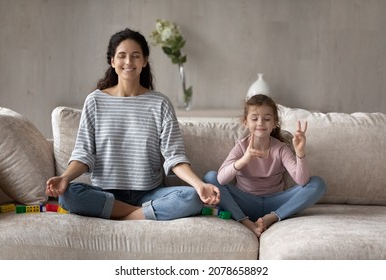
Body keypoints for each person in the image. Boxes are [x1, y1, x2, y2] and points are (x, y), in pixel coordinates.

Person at [46, 28, 219, 221]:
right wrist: (64, 179)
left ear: (144, 61)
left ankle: (117, 213)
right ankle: (144, 213)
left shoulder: (160, 103)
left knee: (192, 197)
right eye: (122, 56)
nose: (128, 62)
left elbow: (174, 157)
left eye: (135, 56)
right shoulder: (94, 101)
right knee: (69, 194)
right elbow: (83, 154)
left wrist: (199, 185)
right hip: (107, 193)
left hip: (148, 194)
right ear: (112, 61)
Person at [203, 94, 326, 237]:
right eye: (254, 118)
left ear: (275, 123)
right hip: (245, 202)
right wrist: (245, 159)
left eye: (267, 119)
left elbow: (302, 181)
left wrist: (300, 153)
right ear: (246, 122)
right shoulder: (241, 147)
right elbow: (221, 180)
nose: (260, 123)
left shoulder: (281, 148)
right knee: (210, 177)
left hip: (276, 202)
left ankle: (272, 218)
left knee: (318, 183)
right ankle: (245, 222)